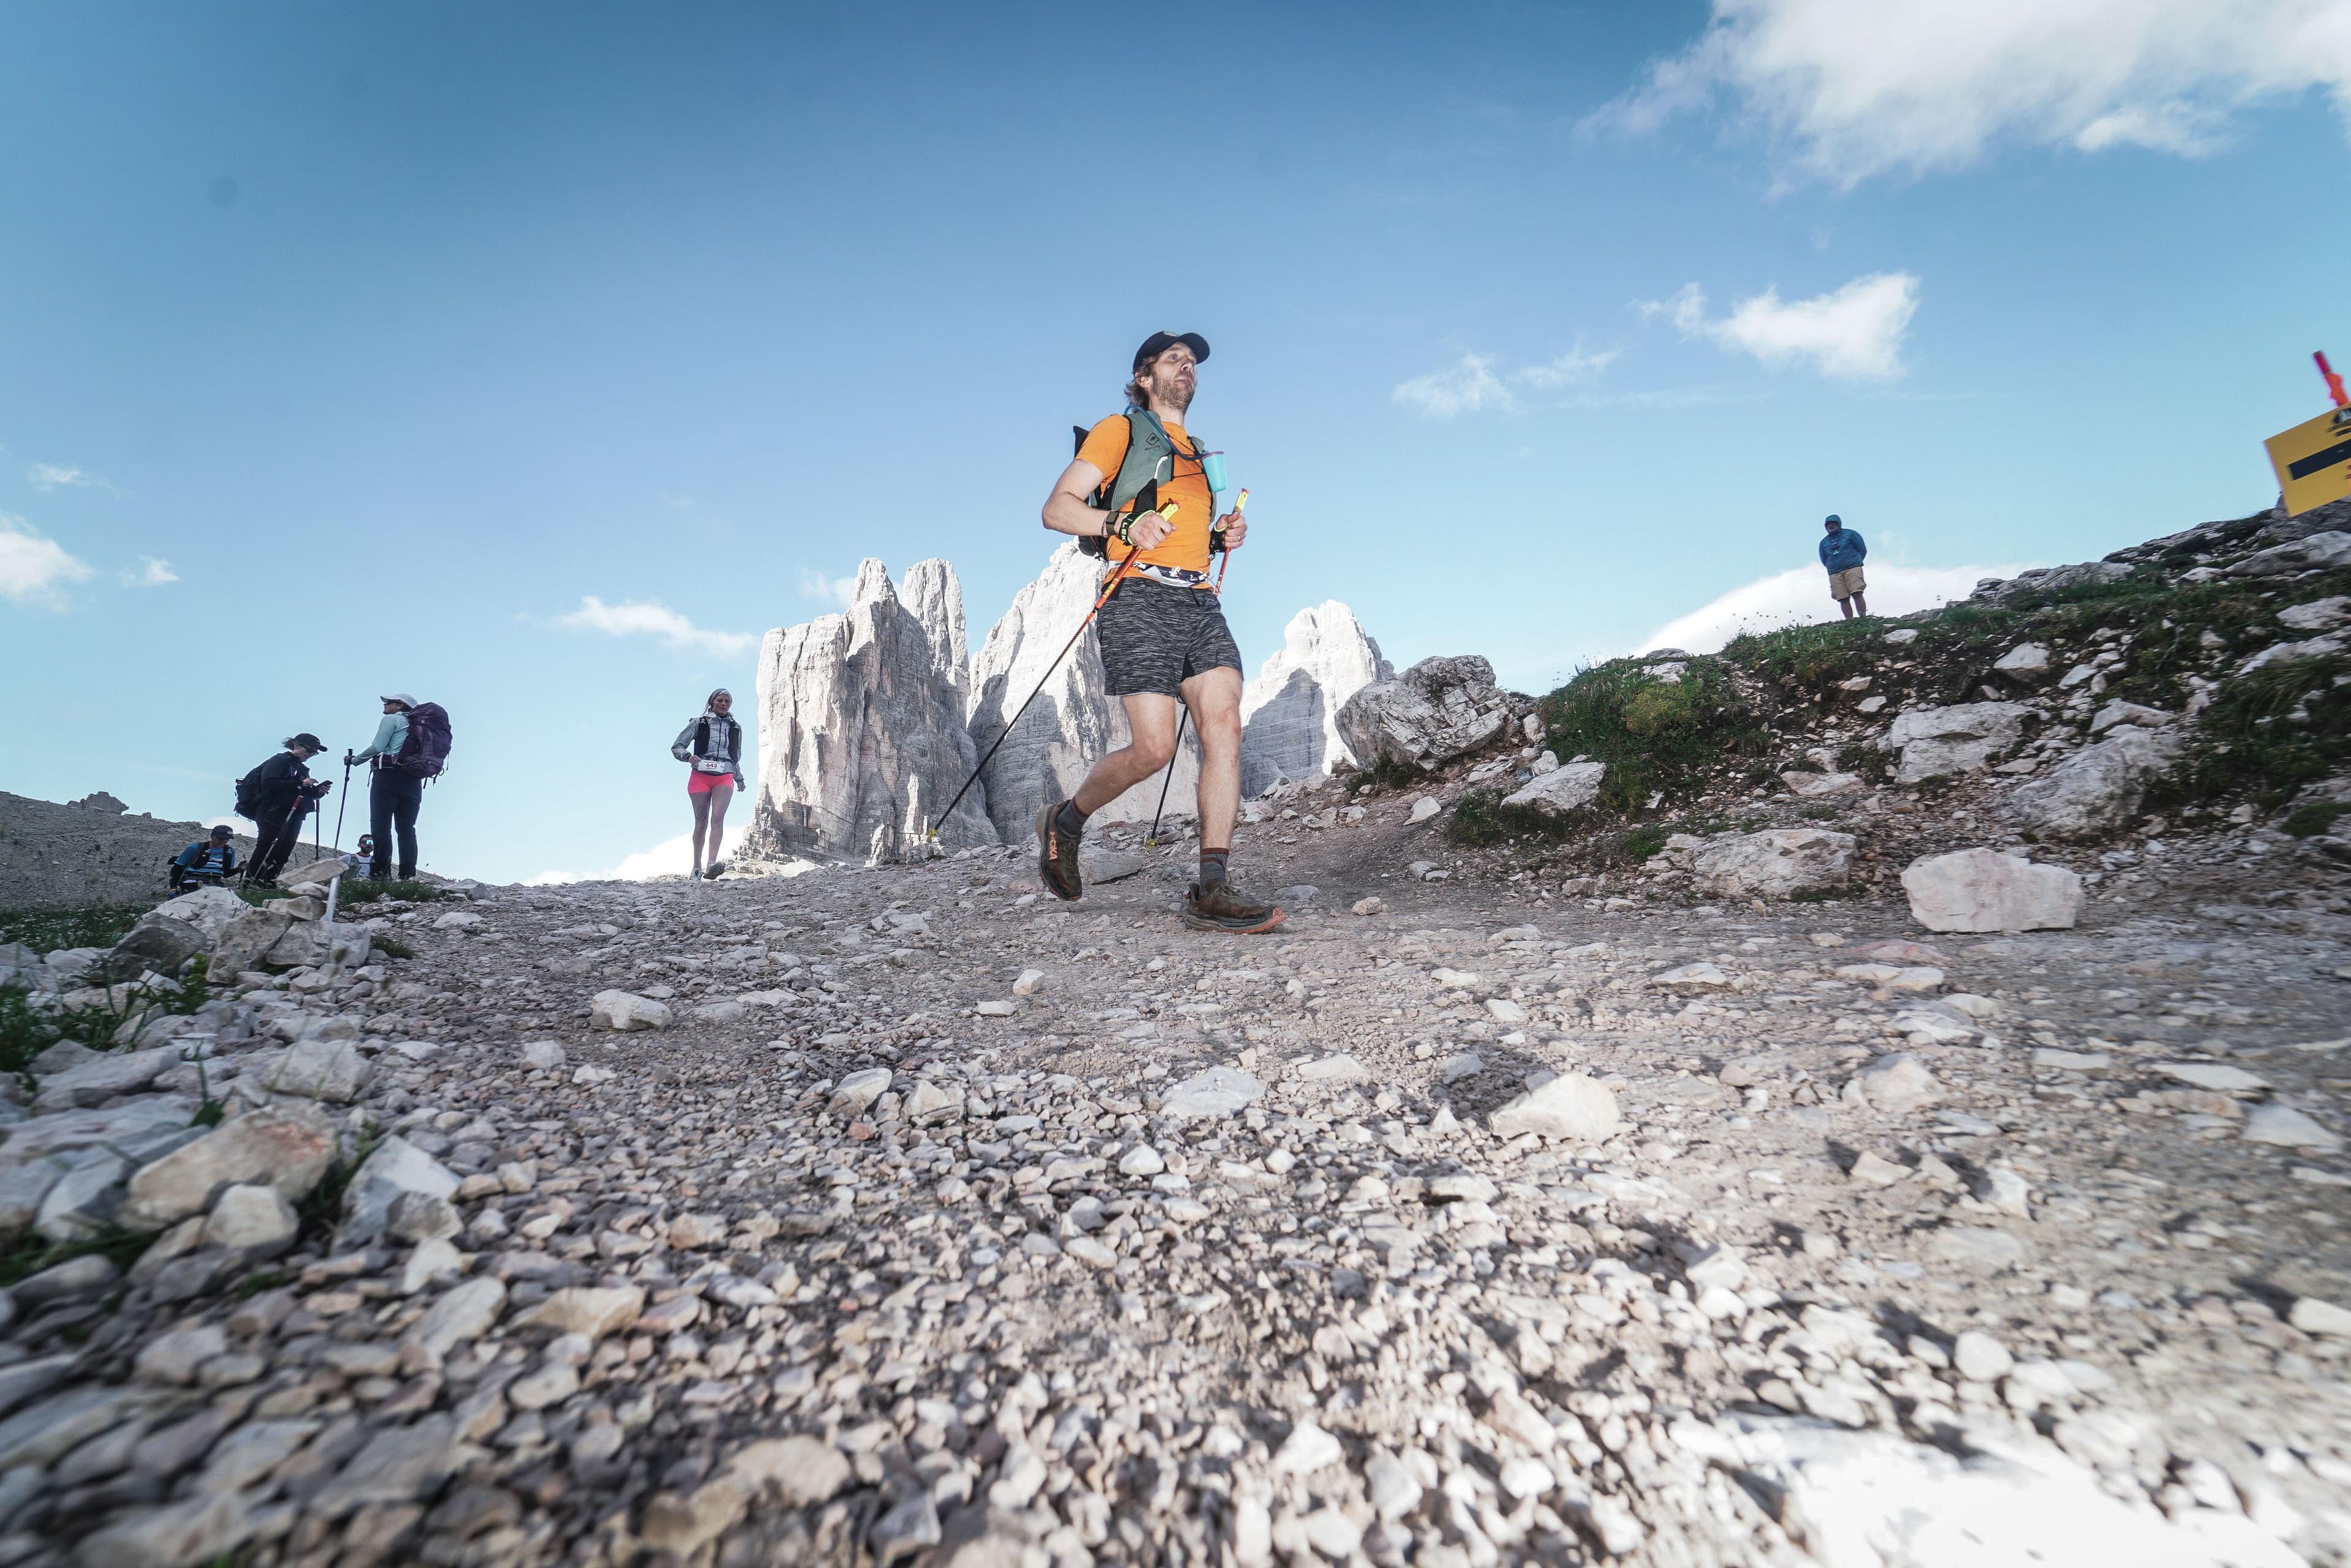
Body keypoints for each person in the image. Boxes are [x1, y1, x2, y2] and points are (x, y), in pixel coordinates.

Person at [1035, 330, 1281, 933]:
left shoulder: (1196, 451)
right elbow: (1057, 509)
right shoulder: (1118, 431)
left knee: (1225, 725)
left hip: (1199, 600)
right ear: (1144, 378)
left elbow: (1186, 531)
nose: (1187, 366)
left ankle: (1212, 887)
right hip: (1138, 596)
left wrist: (1221, 537)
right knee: (1155, 749)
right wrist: (1122, 524)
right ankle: (1066, 821)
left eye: (1192, 361)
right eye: (1174, 359)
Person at [672, 689, 745, 879]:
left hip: (725, 775)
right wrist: (688, 756)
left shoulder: (735, 727)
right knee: (701, 822)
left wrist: (739, 778)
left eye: (727, 701)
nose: (724, 704)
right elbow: (677, 746)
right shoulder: (699, 723)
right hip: (700, 777)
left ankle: (712, 863)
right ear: (712, 702)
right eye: (720, 700)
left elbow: (735, 756)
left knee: (718, 818)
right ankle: (696, 868)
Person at [348, 694, 421, 881]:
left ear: (400, 705)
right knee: (407, 828)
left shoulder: (392, 719)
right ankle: (408, 875)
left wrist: (354, 760)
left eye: (388, 702)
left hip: (388, 775)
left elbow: (377, 747)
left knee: (381, 824)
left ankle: (380, 874)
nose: (385, 705)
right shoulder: (420, 725)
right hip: (414, 779)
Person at [244, 734, 331, 886]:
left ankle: (268, 882)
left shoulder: (302, 768)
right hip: (273, 810)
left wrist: (318, 792)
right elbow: (268, 782)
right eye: (310, 750)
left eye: (315, 752)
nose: (311, 754)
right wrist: (300, 782)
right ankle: (250, 882)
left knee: (285, 850)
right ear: (296, 745)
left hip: (295, 813)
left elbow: (301, 791)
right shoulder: (280, 760)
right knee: (267, 846)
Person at [1820, 514, 1869, 619]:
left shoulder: (1851, 534)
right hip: (1834, 572)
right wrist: (1832, 566)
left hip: (1852, 567)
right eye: (1828, 524)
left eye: (1833, 523)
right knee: (1842, 598)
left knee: (1857, 592)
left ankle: (1863, 618)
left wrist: (1855, 561)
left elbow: (1862, 549)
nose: (1831, 526)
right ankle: (1849, 621)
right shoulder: (1824, 542)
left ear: (1838, 523)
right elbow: (1824, 559)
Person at [171, 825, 239, 891]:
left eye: (227, 839)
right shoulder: (195, 848)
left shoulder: (230, 851)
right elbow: (177, 868)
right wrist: (173, 888)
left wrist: (238, 869)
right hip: (192, 882)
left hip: (216, 884)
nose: (224, 841)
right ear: (212, 837)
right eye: (221, 838)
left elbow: (226, 874)